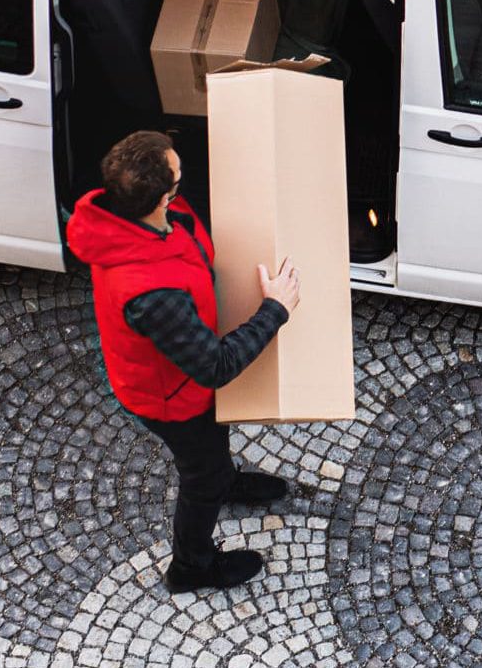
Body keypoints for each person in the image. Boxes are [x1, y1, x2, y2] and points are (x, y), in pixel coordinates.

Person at [67, 129, 305, 593]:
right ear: (160, 198)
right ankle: (190, 568)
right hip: (169, 398)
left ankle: (228, 482)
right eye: (177, 176)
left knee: (213, 445)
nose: (183, 180)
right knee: (202, 474)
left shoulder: (132, 216)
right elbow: (214, 366)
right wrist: (275, 310)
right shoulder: (150, 293)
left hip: (178, 382)